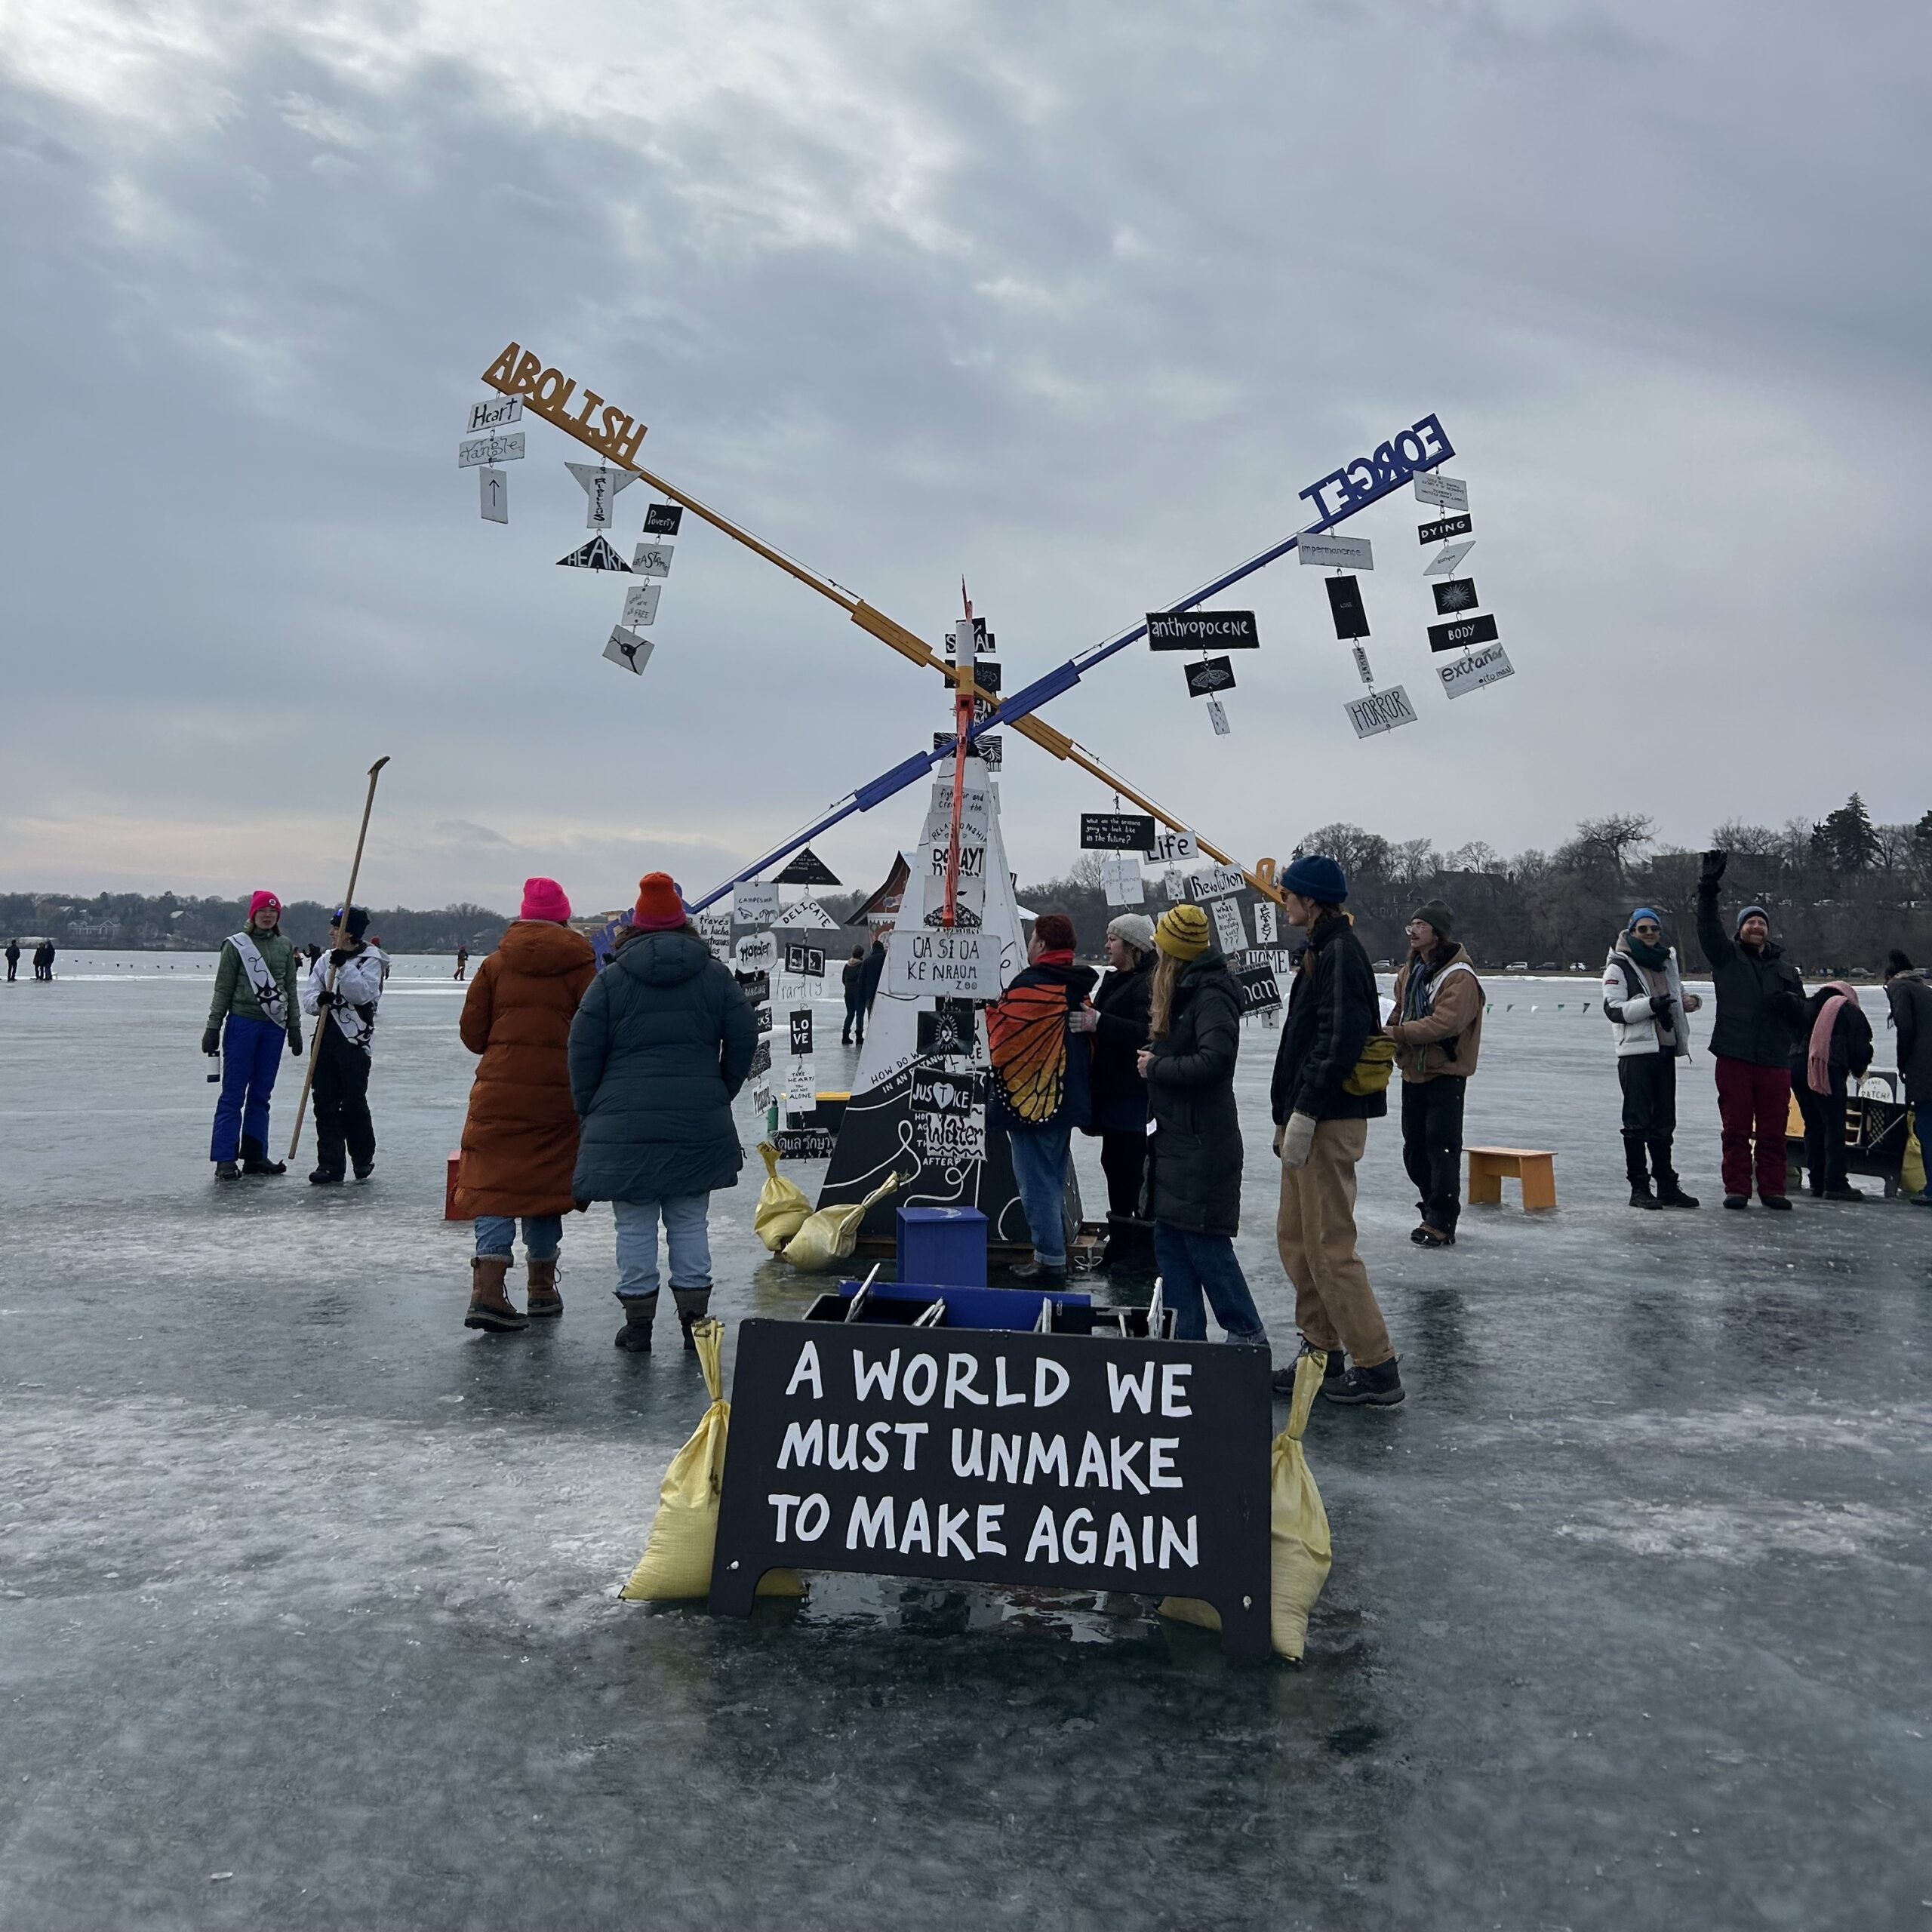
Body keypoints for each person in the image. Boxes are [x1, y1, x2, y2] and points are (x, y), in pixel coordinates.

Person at [568, 872, 755, 1352]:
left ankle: (638, 1326)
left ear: (636, 925)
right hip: (697, 1118)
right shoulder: (715, 976)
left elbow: (582, 1051)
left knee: (633, 1224)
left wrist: (592, 1108)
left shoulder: (610, 980)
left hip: (624, 1121)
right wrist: (719, 1090)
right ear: (682, 924)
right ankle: (695, 1322)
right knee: (690, 1222)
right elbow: (743, 1039)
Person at [1269, 853, 1401, 1407]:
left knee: (1329, 1246)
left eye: (1289, 895)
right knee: (1297, 1240)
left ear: (1312, 901)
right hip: (1309, 1114)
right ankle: (1320, 1350)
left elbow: (1340, 1040)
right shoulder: (1321, 951)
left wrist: (1307, 1110)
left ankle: (1378, 1368)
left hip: (1328, 1117)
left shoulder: (1341, 954)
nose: (1284, 902)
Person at [457, 879, 597, 1333]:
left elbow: (472, 1035)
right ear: (563, 916)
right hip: (558, 1093)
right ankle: (541, 1288)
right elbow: (594, 1034)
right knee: (545, 1186)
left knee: (494, 1186)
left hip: (499, 1092)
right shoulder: (582, 966)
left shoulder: (495, 965)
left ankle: (488, 1293)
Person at [1134, 905, 1266, 1346]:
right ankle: (1187, 1341)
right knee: (1171, 1244)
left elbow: (1215, 1061)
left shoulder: (1211, 994)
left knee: (1206, 1245)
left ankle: (1246, 1334)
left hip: (1201, 1142)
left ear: (1174, 953)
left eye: (1159, 945)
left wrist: (1157, 1067)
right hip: (1175, 1140)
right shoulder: (1186, 992)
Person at [986, 912, 1095, 1284]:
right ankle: (1051, 1252)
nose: (1029, 946)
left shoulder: (1031, 984)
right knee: (1051, 1174)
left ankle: (1049, 1259)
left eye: (1033, 939)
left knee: (1036, 1182)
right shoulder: (1076, 986)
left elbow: (1004, 1037)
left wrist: (987, 1010)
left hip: (1028, 1100)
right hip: (1064, 1097)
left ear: (1042, 945)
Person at [1695, 851, 1807, 1210]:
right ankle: (1738, 1188)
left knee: (1775, 1131)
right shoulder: (1727, 958)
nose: (1757, 927)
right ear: (1740, 929)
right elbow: (1707, 928)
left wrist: (1795, 1006)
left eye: (1762, 923)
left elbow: (1805, 1017)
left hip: (1775, 1058)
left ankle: (1773, 1188)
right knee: (1736, 1129)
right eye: (1750, 923)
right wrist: (1708, 889)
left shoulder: (1787, 970)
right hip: (1735, 1054)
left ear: (1768, 930)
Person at [1386, 899, 1484, 1245]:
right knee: (1414, 1148)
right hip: (1413, 1071)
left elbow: (1445, 1023)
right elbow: (1400, 1010)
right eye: (1411, 925)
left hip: (1445, 1073)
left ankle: (1442, 1220)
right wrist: (1385, 1037)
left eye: (1421, 926)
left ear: (1438, 934)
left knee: (1441, 1147)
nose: (1412, 931)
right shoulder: (1409, 971)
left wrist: (1398, 1034)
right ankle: (1430, 1205)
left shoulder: (1459, 977)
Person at [1601, 906, 1702, 1210]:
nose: (1648, 934)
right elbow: (1613, 1010)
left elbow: (1677, 992)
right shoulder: (1619, 965)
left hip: (1665, 1049)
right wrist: (1650, 1005)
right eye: (1642, 929)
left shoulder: (1666, 961)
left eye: (1653, 929)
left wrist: (1691, 1001)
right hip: (1636, 1053)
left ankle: (1667, 1183)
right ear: (1631, 932)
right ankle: (1639, 1187)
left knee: (1664, 1122)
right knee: (1636, 1122)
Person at [200, 889, 304, 1179]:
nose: (268, 916)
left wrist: (294, 1027)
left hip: (274, 1028)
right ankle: (225, 1158)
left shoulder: (285, 946)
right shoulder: (236, 946)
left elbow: (290, 989)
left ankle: (255, 1156)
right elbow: (222, 989)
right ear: (253, 915)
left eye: (273, 912)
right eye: (263, 911)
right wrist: (213, 1026)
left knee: (261, 1094)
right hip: (242, 1024)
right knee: (233, 1093)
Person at [1072, 912, 1157, 1220]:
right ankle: (1123, 1238)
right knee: (1114, 1162)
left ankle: (1129, 1243)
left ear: (1132, 945)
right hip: (1113, 1089)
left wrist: (1099, 1022)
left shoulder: (1146, 983)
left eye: (1113, 939)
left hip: (1131, 1091)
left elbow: (1146, 1032)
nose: (1107, 946)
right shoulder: (1117, 978)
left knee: (1126, 1166)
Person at [301, 906, 385, 1185]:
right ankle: (330, 1164)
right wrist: (319, 1001)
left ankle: (362, 1158)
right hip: (325, 1039)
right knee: (324, 1103)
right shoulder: (325, 960)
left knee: (352, 1103)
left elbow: (362, 995)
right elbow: (309, 997)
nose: (331, 932)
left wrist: (345, 967)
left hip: (354, 1044)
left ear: (350, 932)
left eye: (336, 928)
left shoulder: (372, 960)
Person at [1791, 980, 1873, 1201]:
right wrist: (1859, 1069)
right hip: (1828, 1069)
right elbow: (1859, 1048)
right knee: (1833, 1125)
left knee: (1813, 1124)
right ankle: (1835, 1182)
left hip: (1797, 1067)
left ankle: (1817, 1181)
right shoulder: (1848, 1010)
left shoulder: (1809, 1006)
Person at [1884, 952, 1932, 1205]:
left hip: (1924, 1069)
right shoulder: (1925, 989)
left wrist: (1902, 1063)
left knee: (1926, 1127)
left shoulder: (1899, 987)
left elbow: (1906, 1026)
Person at [858, 932, 888, 1026]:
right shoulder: (886, 960)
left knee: (871, 1015)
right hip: (884, 993)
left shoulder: (867, 961)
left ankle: (872, 1032)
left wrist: (861, 994)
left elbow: (861, 979)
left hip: (870, 994)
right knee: (884, 1014)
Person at [841, 944, 866, 1046]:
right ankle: (859, 1036)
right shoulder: (861, 965)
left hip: (848, 993)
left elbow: (843, 979)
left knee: (850, 1014)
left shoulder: (847, 965)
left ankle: (845, 1035)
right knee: (859, 1015)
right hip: (859, 994)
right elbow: (863, 980)